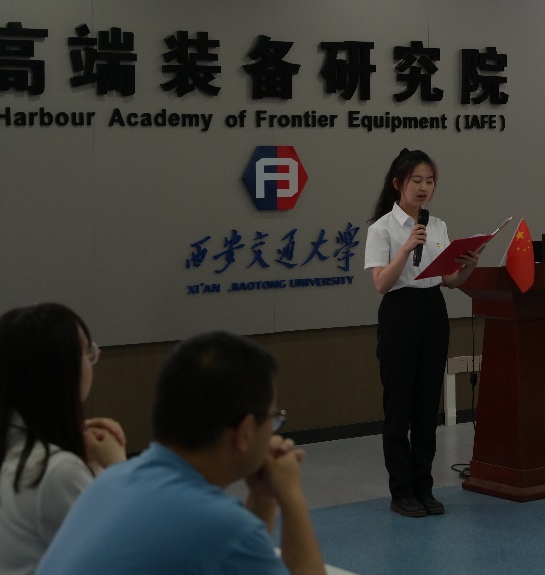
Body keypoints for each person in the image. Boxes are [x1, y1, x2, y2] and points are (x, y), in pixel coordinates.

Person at [37, 331, 324, 575]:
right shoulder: (224, 527)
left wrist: (263, 496)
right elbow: (231, 545)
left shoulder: (108, 483)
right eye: (272, 418)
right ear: (245, 431)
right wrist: (291, 495)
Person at [365, 148, 480, 517]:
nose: (424, 187)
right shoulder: (381, 228)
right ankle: (401, 491)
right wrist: (406, 249)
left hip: (433, 309)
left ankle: (424, 487)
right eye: (416, 180)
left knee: (427, 407)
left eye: (429, 181)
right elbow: (381, 284)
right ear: (398, 184)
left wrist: (468, 267)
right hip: (400, 312)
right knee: (399, 407)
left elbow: (449, 280)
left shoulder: (438, 225)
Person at [0, 304, 126, 575]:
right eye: (87, 353)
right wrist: (118, 468)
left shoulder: (17, 449)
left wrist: (90, 463)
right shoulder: (55, 471)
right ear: (62, 370)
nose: (93, 360)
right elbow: (128, 553)